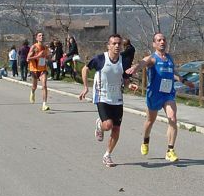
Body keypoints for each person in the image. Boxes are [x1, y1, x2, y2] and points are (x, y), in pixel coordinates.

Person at [126, 32, 194, 162]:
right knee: (150, 121)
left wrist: (184, 81)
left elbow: (172, 73)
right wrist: (135, 67)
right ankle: (145, 141)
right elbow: (143, 63)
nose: (162, 42)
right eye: (159, 40)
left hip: (168, 94)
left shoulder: (169, 58)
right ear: (154, 44)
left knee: (173, 118)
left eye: (163, 40)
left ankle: (170, 150)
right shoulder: (152, 58)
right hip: (154, 94)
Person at [79, 34, 138, 167]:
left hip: (117, 98)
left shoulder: (124, 61)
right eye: (114, 44)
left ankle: (107, 155)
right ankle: (100, 124)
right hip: (102, 97)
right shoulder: (100, 59)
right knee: (108, 125)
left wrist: (130, 85)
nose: (117, 46)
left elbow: (125, 78)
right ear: (108, 46)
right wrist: (85, 87)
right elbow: (85, 69)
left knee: (116, 129)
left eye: (119, 44)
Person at [27, 32, 50, 111]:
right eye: (40, 35)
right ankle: (32, 92)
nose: (42, 36)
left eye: (43, 35)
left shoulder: (46, 48)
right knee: (34, 86)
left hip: (43, 69)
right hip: (34, 69)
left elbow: (47, 57)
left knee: (44, 86)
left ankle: (44, 105)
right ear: (37, 38)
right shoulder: (34, 47)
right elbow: (28, 59)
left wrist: (49, 57)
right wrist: (38, 56)